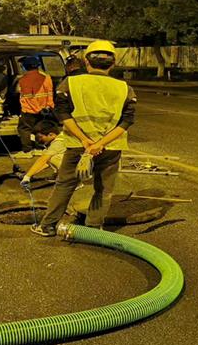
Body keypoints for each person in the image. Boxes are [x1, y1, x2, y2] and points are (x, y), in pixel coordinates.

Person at [30, 40, 137, 236]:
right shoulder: (124, 88)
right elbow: (127, 120)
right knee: (103, 189)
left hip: (78, 145)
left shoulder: (70, 82)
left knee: (65, 184)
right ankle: (93, 229)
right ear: (113, 64)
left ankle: (47, 226)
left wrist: (85, 140)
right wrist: (100, 143)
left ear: (87, 63)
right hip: (110, 148)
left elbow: (62, 113)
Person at [15, 55, 54, 158]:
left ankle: (27, 151)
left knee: (24, 129)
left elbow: (23, 94)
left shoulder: (23, 79)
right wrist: (49, 106)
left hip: (28, 110)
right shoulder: (46, 78)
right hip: (43, 109)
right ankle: (40, 148)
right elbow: (50, 93)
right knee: (40, 129)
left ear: (25, 67)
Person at [19, 120, 66, 185]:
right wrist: (30, 174)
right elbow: (46, 163)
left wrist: (27, 176)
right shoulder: (60, 136)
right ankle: (62, 175)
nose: (39, 139)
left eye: (41, 137)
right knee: (48, 155)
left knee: (53, 158)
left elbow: (43, 160)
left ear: (51, 134)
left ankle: (72, 181)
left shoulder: (58, 143)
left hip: (78, 164)